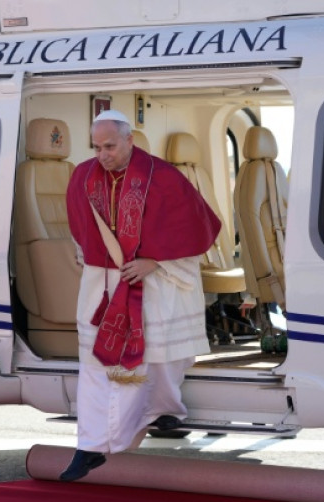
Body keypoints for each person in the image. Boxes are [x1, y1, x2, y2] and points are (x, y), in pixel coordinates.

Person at [61, 110, 221, 481]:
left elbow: (196, 231)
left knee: (159, 363)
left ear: (130, 139)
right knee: (100, 367)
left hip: (158, 285)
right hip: (103, 286)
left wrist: (154, 262)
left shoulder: (164, 177)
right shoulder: (82, 177)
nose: (103, 154)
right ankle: (90, 446)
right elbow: (79, 236)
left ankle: (162, 412)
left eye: (110, 146)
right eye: (97, 147)